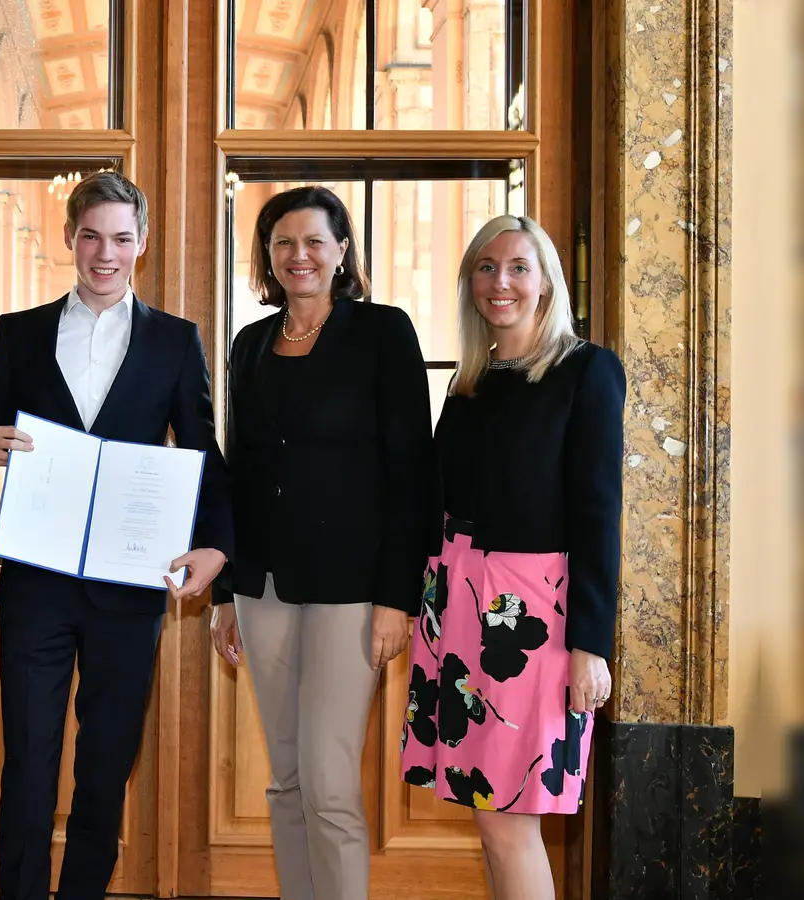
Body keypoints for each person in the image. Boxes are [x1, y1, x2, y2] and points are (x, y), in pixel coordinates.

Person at [0, 170, 234, 900]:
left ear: (141, 244)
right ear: (69, 239)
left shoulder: (177, 341)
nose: (104, 253)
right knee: (27, 758)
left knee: (107, 760)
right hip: (36, 586)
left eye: (120, 238)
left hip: (128, 587)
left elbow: (204, 448)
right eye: (91, 235)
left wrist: (216, 545)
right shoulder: (18, 332)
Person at [209, 185, 435, 900]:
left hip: (352, 588)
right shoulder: (251, 344)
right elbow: (235, 468)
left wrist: (398, 597)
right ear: (268, 258)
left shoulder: (383, 333)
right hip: (262, 585)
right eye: (283, 243)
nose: (298, 256)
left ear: (342, 250)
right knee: (287, 780)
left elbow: (412, 470)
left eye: (313, 241)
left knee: (331, 783)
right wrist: (223, 592)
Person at [399, 214, 623, 899]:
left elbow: (598, 513)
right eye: (487, 268)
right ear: (470, 284)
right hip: (457, 610)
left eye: (519, 267)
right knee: (488, 816)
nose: (502, 282)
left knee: (508, 822)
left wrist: (590, 644)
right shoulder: (470, 384)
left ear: (547, 283)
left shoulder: (587, 371)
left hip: (532, 620)